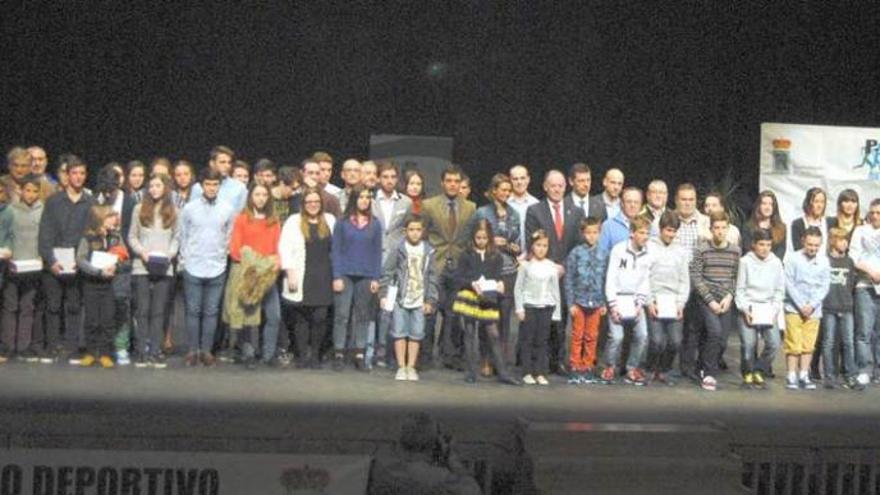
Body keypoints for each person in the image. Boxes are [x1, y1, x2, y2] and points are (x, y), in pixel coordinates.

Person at [524, 169, 584, 374]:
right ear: (545, 187)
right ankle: (535, 361)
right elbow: (531, 242)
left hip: (565, 274)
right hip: (542, 272)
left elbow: (578, 245)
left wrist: (564, 267)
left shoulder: (576, 212)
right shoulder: (535, 211)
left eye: (560, 185)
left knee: (561, 320)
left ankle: (557, 361)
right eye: (553, 185)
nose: (557, 189)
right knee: (540, 320)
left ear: (565, 187)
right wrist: (551, 266)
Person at [38, 155, 95, 363]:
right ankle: (52, 345)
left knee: (73, 306)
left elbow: (91, 234)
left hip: (76, 263)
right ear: (67, 175)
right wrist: (51, 260)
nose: (78, 177)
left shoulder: (90, 201)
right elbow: (45, 232)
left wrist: (82, 261)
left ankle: (71, 346)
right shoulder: (54, 201)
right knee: (53, 306)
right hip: (54, 262)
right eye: (74, 173)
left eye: (82, 173)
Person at [179, 168, 236, 367]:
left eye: (215, 184)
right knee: (193, 311)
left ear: (219, 186)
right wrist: (185, 260)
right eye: (208, 184)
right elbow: (183, 235)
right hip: (193, 265)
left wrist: (222, 256)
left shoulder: (227, 209)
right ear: (201, 186)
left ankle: (206, 351)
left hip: (217, 267)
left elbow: (229, 236)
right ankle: (192, 350)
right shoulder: (190, 208)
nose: (211, 188)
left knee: (212, 311)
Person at [421, 165, 476, 366]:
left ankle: (449, 356)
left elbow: (471, 238)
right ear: (443, 183)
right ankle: (425, 356)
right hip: (435, 263)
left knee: (453, 314)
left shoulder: (470, 207)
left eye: (456, 181)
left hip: (458, 266)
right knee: (430, 312)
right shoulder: (429, 205)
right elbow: (422, 234)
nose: (453, 184)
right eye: (449, 181)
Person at [452, 219, 519, 385]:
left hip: (487, 297)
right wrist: (471, 283)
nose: (481, 241)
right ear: (473, 237)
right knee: (469, 333)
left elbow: (496, 276)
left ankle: (503, 372)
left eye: (484, 237)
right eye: (478, 237)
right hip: (470, 295)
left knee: (493, 334)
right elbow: (459, 276)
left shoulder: (495, 256)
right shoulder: (466, 254)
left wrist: (500, 283)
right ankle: (471, 372)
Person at [223, 183, 282, 369]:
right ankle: (248, 354)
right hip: (249, 275)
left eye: (265, 194)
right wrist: (255, 264)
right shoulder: (242, 219)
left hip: (268, 275)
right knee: (248, 317)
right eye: (257, 194)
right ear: (251, 197)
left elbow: (277, 248)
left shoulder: (274, 221)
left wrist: (271, 265)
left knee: (274, 315)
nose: (261, 198)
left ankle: (268, 354)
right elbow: (235, 249)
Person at [279, 187, 336, 369]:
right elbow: (284, 248)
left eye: (316, 202)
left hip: (323, 274)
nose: (313, 205)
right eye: (309, 202)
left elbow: (336, 248)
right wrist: (289, 272)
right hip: (300, 273)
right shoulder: (293, 221)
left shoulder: (330, 220)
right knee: (301, 318)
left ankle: (316, 355)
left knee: (320, 317)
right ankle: (302, 355)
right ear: (303, 204)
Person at [469, 174, 521, 369]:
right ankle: (486, 359)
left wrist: (514, 247)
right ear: (493, 191)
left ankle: (502, 361)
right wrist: (492, 241)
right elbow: (470, 239)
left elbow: (518, 242)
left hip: (508, 269)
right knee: (488, 315)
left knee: (505, 318)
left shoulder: (514, 213)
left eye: (509, 190)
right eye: (503, 189)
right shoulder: (482, 213)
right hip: (488, 268)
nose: (507, 193)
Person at [128, 173, 179, 369]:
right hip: (142, 265)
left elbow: (177, 238)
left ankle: (156, 350)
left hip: (164, 266)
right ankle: (142, 350)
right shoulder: (139, 209)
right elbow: (132, 236)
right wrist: (142, 252)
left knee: (158, 311)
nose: (154, 189)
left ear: (165, 188)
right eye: (152, 186)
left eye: (158, 186)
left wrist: (170, 254)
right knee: (143, 310)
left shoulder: (174, 211)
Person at [380, 215, 439, 381]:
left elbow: (433, 276)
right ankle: (401, 366)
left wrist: (430, 299)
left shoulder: (428, 250)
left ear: (423, 231)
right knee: (399, 332)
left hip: (420, 298)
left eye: (418, 230)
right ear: (406, 231)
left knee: (416, 333)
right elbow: (388, 272)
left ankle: (411, 366)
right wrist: (384, 294)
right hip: (401, 297)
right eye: (411, 230)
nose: (414, 233)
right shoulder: (399, 248)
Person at [330, 185, 383, 371]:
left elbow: (377, 253)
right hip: (344, 274)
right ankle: (338, 352)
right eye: (361, 197)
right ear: (354, 199)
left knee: (362, 315)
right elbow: (335, 250)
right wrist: (336, 275)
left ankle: (359, 353)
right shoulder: (342, 222)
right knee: (342, 315)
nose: (365, 200)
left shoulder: (374, 223)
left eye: (368, 197)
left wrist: (376, 278)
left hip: (366, 275)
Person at [690, 211, 740, 391]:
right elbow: (696, 277)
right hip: (706, 298)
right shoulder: (702, 249)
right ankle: (709, 373)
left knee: (722, 340)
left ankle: (701, 366)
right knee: (715, 332)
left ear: (728, 229)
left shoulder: (735, 251)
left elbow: (735, 277)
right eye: (716, 228)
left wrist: (729, 296)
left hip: (725, 298)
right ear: (711, 229)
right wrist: (710, 301)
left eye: (723, 228)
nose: (720, 231)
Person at [601, 216, 652, 386]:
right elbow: (611, 279)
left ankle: (632, 368)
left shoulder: (647, 253)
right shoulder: (618, 250)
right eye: (641, 233)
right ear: (632, 233)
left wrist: (639, 304)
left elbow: (645, 280)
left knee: (642, 335)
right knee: (616, 337)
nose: (645, 236)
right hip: (618, 298)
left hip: (634, 300)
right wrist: (613, 305)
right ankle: (609, 367)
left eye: (647, 233)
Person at [75, 205, 128, 369]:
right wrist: (98, 271)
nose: (114, 219)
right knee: (91, 319)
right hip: (92, 283)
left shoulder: (116, 237)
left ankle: (105, 353)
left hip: (109, 285)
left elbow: (124, 256)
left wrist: (116, 266)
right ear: (100, 220)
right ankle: (91, 352)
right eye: (110, 217)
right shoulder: (88, 238)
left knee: (107, 319)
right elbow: (80, 260)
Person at [734, 228, 784, 389]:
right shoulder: (745, 262)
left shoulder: (776, 263)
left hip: (768, 308)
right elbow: (740, 290)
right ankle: (748, 372)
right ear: (754, 245)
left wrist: (774, 310)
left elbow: (779, 290)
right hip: (749, 306)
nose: (765, 248)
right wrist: (744, 309)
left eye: (768, 245)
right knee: (749, 344)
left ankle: (759, 370)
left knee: (774, 343)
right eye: (761, 244)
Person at [783, 227, 831, 390]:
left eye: (816, 245)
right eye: (810, 244)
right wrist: (801, 304)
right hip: (794, 308)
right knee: (793, 343)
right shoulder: (792, 258)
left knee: (808, 344)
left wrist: (811, 305)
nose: (813, 248)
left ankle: (804, 374)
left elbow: (824, 286)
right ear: (803, 241)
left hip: (813, 310)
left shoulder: (824, 261)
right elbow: (788, 283)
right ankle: (791, 375)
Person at [646, 211, 690, 385]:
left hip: (673, 302)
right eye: (668, 230)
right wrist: (650, 302)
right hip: (655, 300)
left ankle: (664, 370)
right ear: (661, 229)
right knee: (656, 341)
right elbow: (644, 276)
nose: (670, 234)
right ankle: (650, 369)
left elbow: (684, 280)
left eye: (673, 231)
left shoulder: (680, 251)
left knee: (675, 342)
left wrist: (681, 304)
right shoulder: (649, 247)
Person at [3, 175, 43, 362]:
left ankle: (24, 346)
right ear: (20, 190)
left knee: (28, 306)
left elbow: (45, 236)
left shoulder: (42, 209)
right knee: (10, 306)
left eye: (35, 191)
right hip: (14, 264)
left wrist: (42, 256)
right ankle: (8, 345)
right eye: (27, 190)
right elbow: (7, 235)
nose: (31, 194)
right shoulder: (11, 210)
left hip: (33, 266)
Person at [563, 217, 607, 384]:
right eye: (588, 232)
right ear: (582, 233)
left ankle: (587, 366)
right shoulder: (575, 253)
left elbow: (605, 279)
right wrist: (571, 303)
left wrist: (604, 302)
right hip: (579, 302)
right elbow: (569, 279)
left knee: (592, 335)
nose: (591, 236)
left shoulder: (604, 253)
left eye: (595, 232)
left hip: (596, 302)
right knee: (577, 335)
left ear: (600, 233)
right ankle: (575, 365)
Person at [821, 227, 862, 390]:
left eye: (846, 240)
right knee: (829, 342)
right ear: (832, 241)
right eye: (841, 240)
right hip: (829, 306)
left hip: (846, 307)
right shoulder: (825, 261)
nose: (845, 243)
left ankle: (850, 375)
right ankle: (830, 376)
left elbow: (851, 282)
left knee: (848, 342)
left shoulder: (849, 261)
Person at [850, 199, 880, 386]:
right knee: (864, 331)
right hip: (864, 286)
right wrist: (870, 271)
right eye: (873, 212)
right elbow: (853, 257)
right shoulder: (861, 231)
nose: (875, 216)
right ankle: (864, 369)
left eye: (879, 213)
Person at [190, 146, 247, 211]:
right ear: (212, 163)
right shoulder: (198, 188)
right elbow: (192, 213)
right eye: (222, 162)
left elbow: (242, 214)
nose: (227, 166)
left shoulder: (240, 188)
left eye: (229, 162)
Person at [741, 190, 787, 260]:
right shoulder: (748, 227)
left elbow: (781, 251)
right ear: (758, 206)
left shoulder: (781, 228)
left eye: (770, 204)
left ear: (774, 207)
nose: (767, 207)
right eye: (764, 203)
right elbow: (747, 249)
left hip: (773, 266)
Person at [598, 187, 644, 253]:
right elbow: (601, 255)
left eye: (636, 202)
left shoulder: (646, 225)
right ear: (621, 204)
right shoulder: (608, 226)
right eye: (629, 201)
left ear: (641, 205)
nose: (632, 205)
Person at [507, 164, 539, 252]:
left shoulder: (536, 204)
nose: (519, 182)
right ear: (510, 180)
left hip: (532, 257)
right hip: (508, 256)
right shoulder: (504, 203)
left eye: (522, 178)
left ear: (528, 179)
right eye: (515, 179)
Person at [789, 187, 829, 253]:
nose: (819, 205)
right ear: (809, 203)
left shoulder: (829, 222)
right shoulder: (798, 224)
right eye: (816, 201)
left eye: (822, 202)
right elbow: (798, 250)